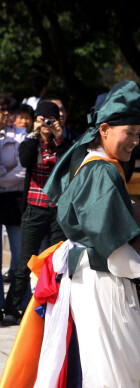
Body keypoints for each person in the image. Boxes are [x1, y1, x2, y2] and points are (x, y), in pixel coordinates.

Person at [29, 80, 140, 386]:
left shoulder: (96, 164)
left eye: (137, 134)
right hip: (102, 275)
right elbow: (108, 238)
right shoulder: (100, 169)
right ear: (104, 130)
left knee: (118, 362)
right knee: (115, 367)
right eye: (128, 133)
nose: (135, 141)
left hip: (94, 274)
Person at [1, 101, 71, 326]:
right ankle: (12, 308)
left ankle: (55, 305)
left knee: (57, 262)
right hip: (34, 206)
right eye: (43, 119)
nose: (47, 123)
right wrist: (35, 133)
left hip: (58, 208)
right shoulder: (30, 142)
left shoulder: (66, 142)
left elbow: (68, 164)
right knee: (25, 262)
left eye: (50, 119)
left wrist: (60, 137)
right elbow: (25, 159)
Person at [0, 95, 26, 313]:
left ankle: (15, 304)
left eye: (6, 110)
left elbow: (23, 169)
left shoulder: (20, 136)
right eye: (1, 110)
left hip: (15, 199)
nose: (5, 114)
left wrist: (3, 177)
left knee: (19, 259)